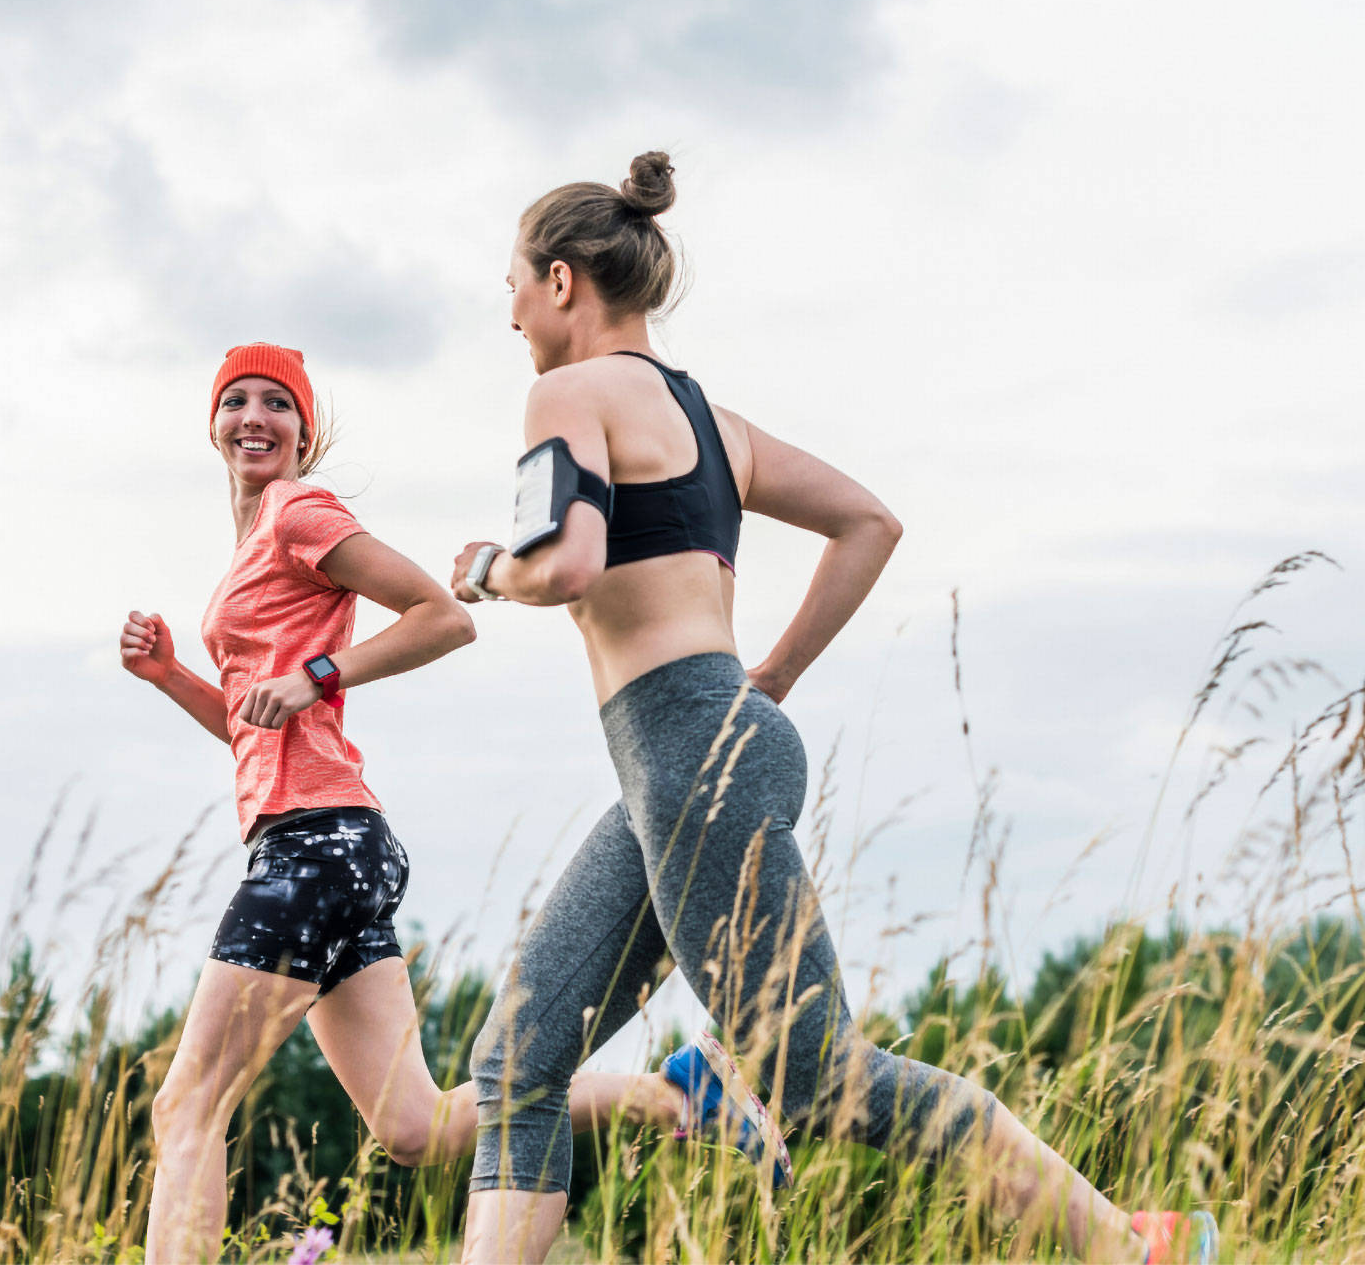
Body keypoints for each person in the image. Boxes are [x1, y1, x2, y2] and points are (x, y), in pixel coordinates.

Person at [448, 155, 1221, 1265]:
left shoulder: (565, 392)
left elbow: (567, 562)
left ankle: (1136, 1248)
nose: (510, 309)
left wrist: (486, 567)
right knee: (518, 1060)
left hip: (688, 754)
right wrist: (771, 678)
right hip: (684, 757)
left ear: (562, 281)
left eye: (514, 282)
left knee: (819, 1078)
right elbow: (869, 521)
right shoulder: (714, 422)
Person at [122, 343, 787, 1264]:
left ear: (303, 432)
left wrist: (321, 674)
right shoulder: (249, 550)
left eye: (278, 404)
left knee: (187, 1100)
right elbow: (250, 726)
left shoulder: (299, 513)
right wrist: (169, 677)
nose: (254, 418)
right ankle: (679, 1097)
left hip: (318, 847)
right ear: (212, 424)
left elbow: (444, 614)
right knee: (416, 1126)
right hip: (324, 842)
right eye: (236, 400)